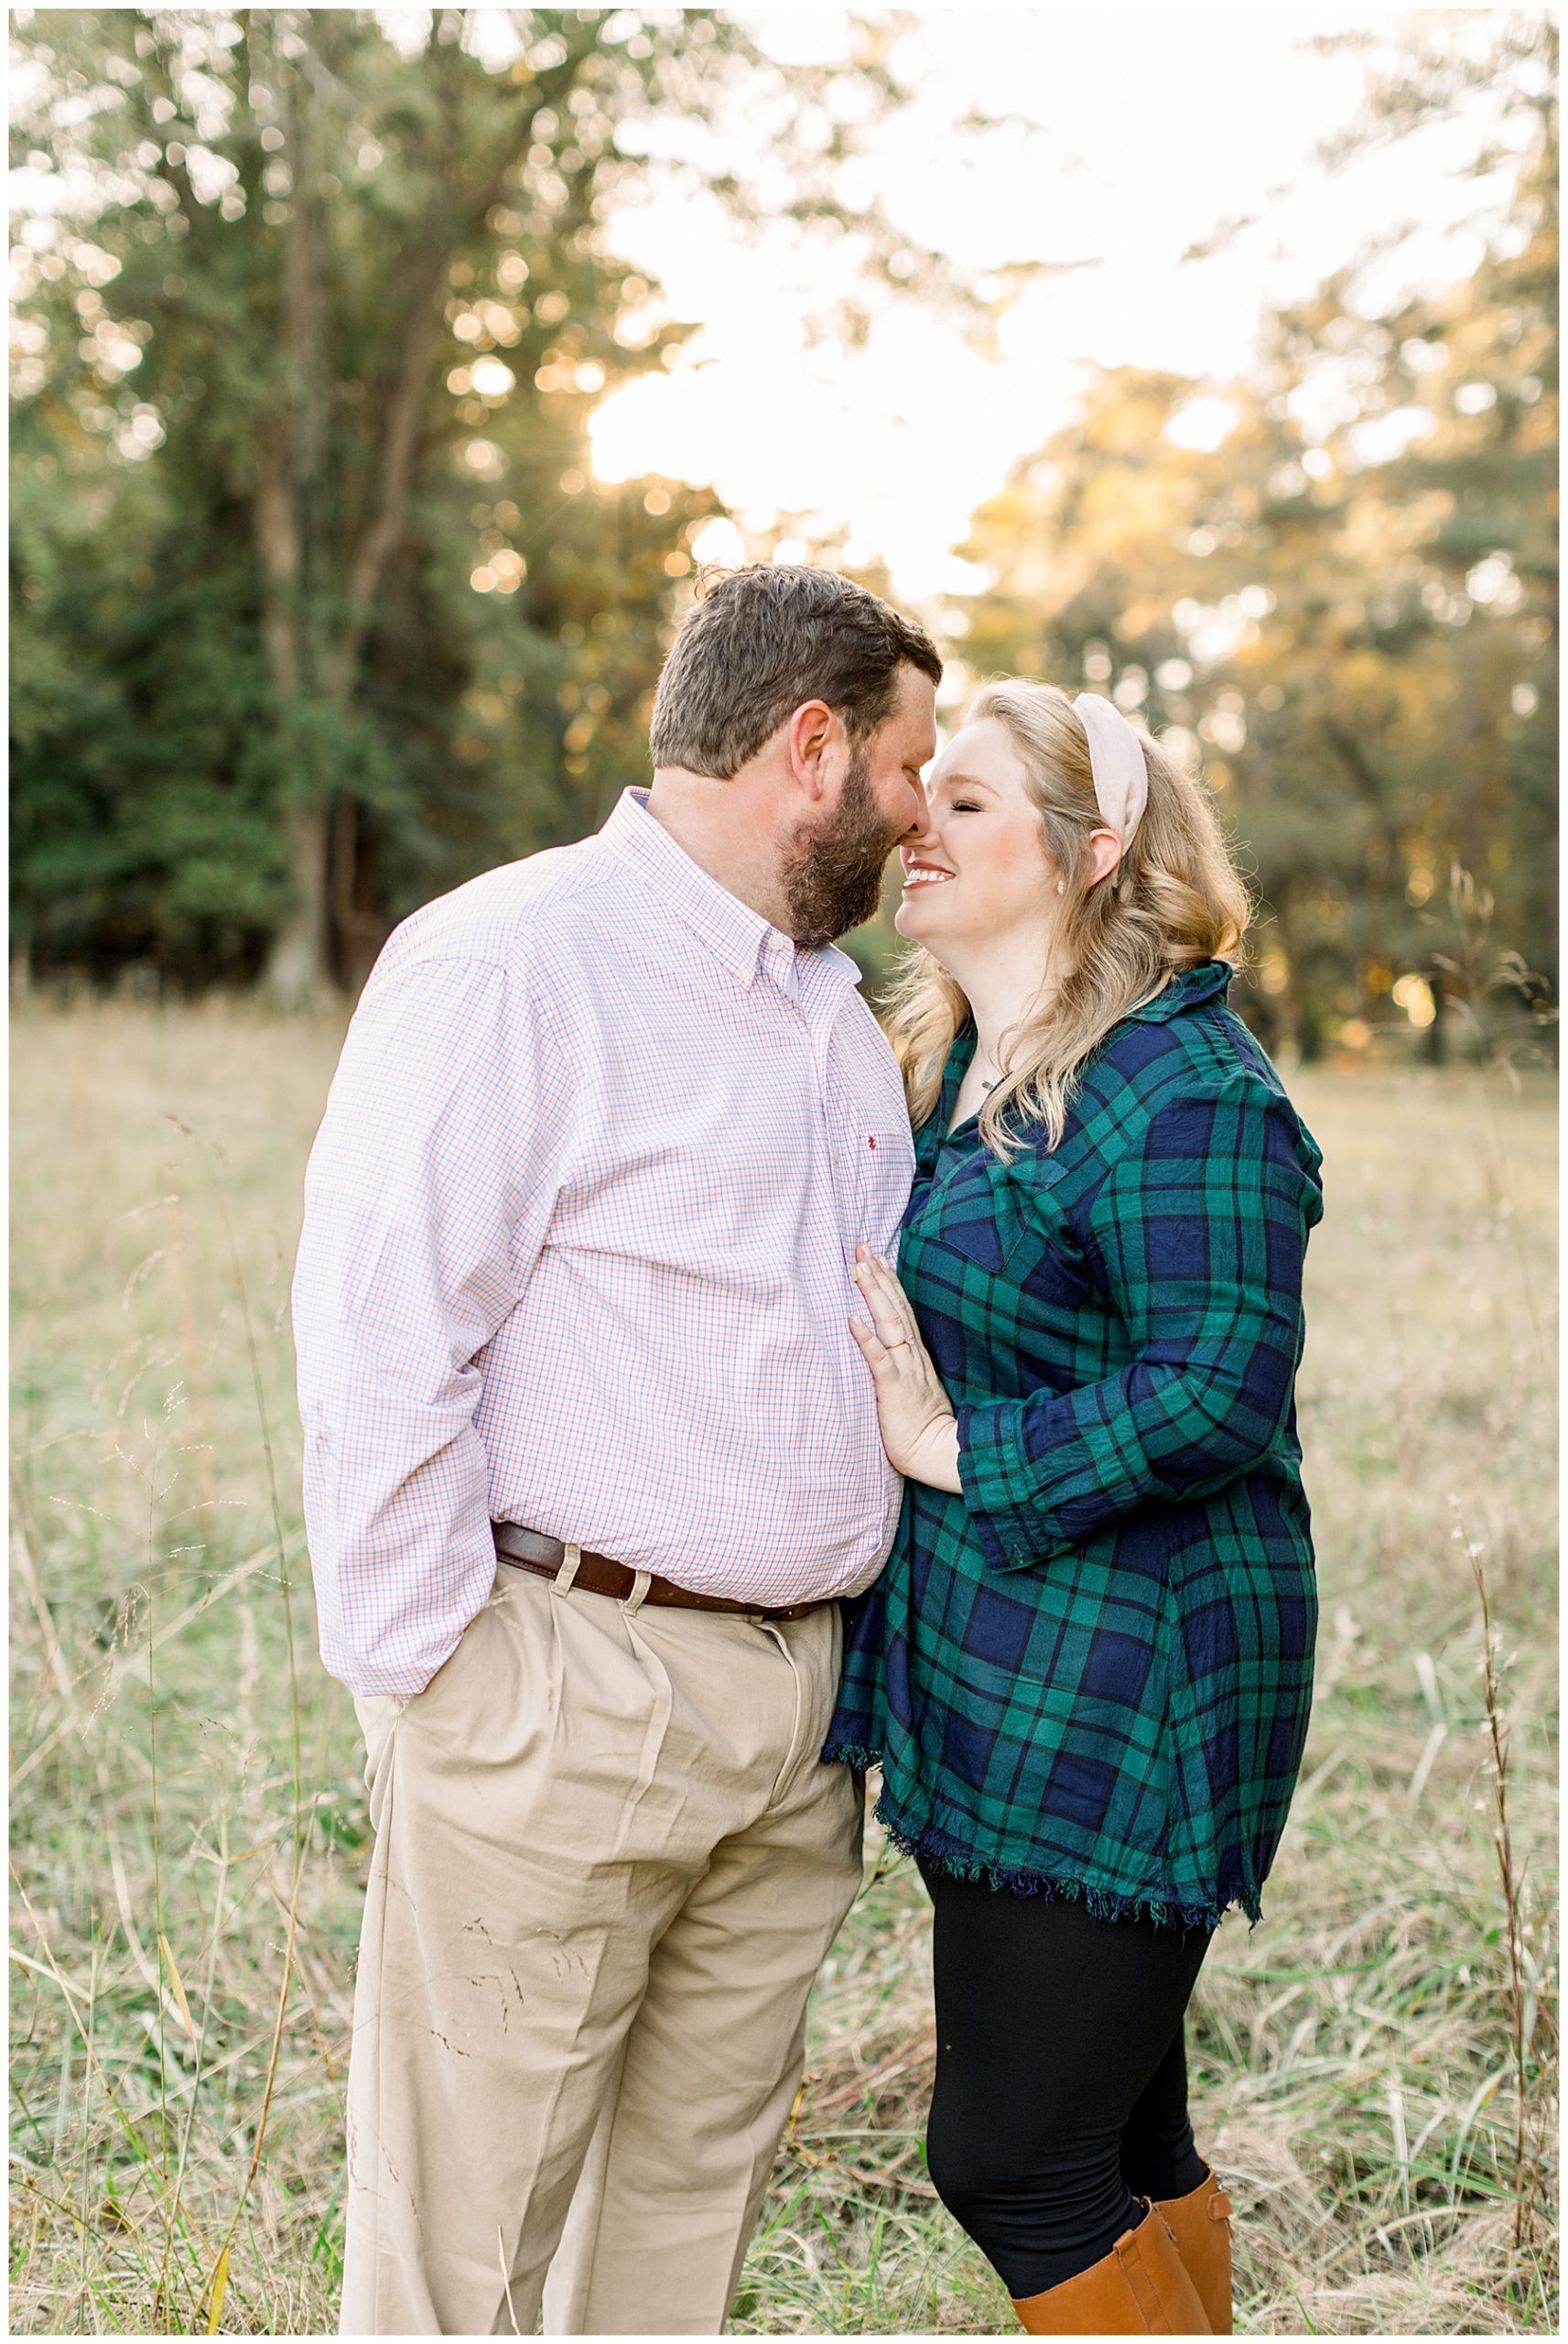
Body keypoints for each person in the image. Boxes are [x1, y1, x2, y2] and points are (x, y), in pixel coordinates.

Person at [291, 564, 940, 2336]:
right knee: (458, 2255)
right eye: (905, 767)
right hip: (562, 1694)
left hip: (794, 1725)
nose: (916, 814)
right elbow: (381, 1330)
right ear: (813, 749)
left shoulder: (832, 1012)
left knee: (680, 2234)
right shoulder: (513, 960)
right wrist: (443, 1685)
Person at [823, 678, 1323, 2335]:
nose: (920, 824)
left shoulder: (1182, 1083)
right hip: (1001, 1657)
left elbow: (1217, 1385)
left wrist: (956, 1449)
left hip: (1134, 1672)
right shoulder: (959, 1063)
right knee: (1118, 2133)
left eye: (967, 802)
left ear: (1091, 850)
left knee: (1014, 2158)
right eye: (929, 794)